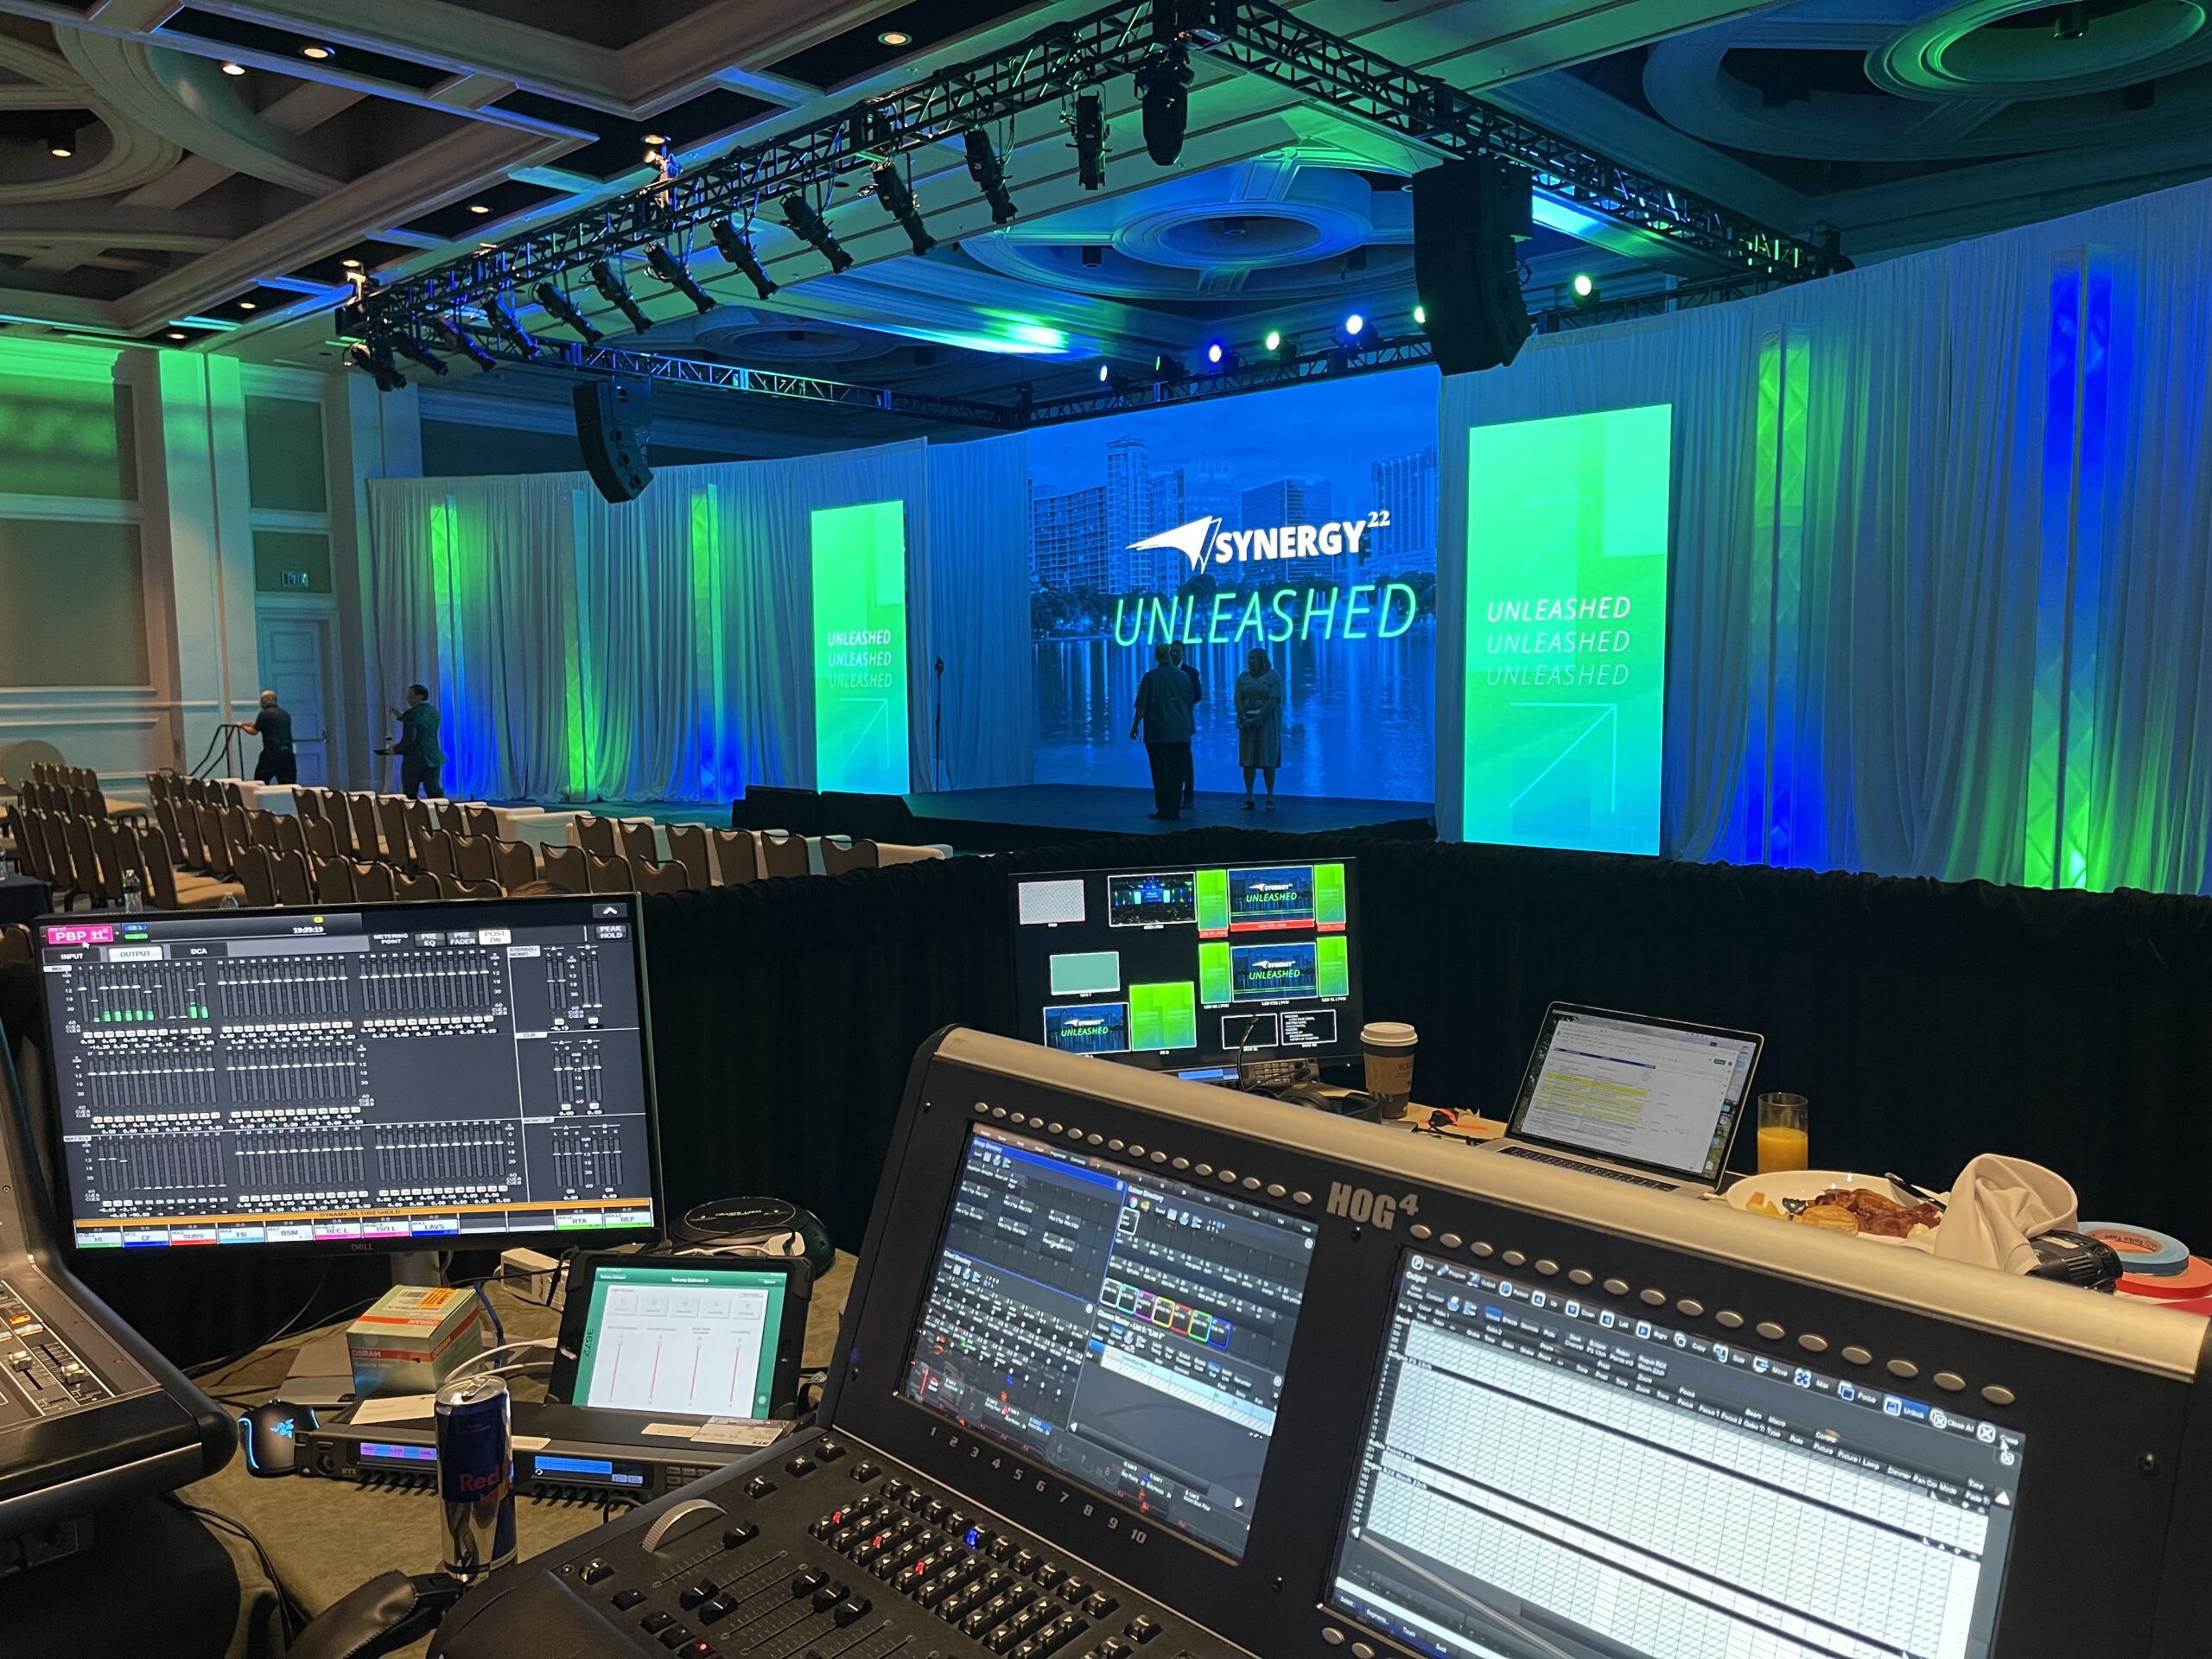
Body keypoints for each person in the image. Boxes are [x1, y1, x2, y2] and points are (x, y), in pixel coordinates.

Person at [1128, 644, 1196, 821]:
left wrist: (1135, 727)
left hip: (1159, 732)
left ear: (1156, 657)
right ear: (1170, 656)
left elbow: (1141, 707)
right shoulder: (1184, 677)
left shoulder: (1151, 677)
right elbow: (1190, 704)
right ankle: (1176, 806)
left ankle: (1165, 809)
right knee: (1177, 771)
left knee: (1161, 771)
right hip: (1181, 731)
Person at [1235, 647, 1286, 810]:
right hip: (1247, 724)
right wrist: (1244, 717)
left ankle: (1270, 796)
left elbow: (1274, 699)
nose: (1250, 661)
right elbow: (1237, 698)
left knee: (1267, 759)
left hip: (1267, 724)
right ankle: (1249, 796)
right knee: (1248, 760)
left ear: (1261, 660)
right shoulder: (1243, 677)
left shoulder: (1274, 676)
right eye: (1249, 658)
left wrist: (1260, 718)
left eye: (1253, 658)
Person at [383, 683, 446, 799]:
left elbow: (409, 739)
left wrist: (393, 750)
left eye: (410, 694)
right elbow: (421, 723)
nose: (407, 698)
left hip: (415, 761)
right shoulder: (433, 712)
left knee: (410, 794)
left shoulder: (412, 714)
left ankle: (413, 817)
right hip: (433, 758)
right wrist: (401, 716)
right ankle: (443, 815)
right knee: (435, 792)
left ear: (419, 697)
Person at [232, 690, 296, 786]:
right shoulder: (285, 714)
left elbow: (254, 731)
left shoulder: (264, 714)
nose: (260, 703)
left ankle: (265, 800)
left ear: (266, 700)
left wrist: (242, 726)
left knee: (260, 781)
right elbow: (262, 725)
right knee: (287, 784)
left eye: (261, 700)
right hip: (287, 754)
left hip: (271, 754)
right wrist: (248, 724)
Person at [1171, 643, 1203, 808]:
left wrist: (1181, 702)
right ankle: (1172, 795)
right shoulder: (1162, 671)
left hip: (1184, 720)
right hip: (1167, 722)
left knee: (1185, 759)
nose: (1174, 654)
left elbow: (1198, 696)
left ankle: (1188, 795)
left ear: (1183, 653)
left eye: (1177, 651)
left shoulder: (1191, 672)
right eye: (1172, 651)